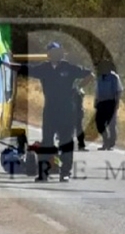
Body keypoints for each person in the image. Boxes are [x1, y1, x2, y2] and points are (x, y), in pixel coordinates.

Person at [16, 42, 94, 182]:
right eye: (53, 52)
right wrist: (6, 63)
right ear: (49, 54)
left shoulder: (69, 68)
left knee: (66, 142)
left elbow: (89, 75)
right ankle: (43, 174)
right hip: (50, 111)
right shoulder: (44, 68)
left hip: (67, 111)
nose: (56, 54)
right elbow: (24, 69)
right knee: (47, 143)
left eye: (58, 51)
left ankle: (65, 173)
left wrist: (77, 88)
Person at [94, 59, 123, 150]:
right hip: (101, 102)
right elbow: (97, 91)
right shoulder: (99, 77)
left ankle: (111, 143)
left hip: (111, 102)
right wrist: (96, 101)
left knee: (111, 124)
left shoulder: (114, 77)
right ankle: (105, 140)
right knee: (99, 123)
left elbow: (118, 90)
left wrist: (117, 102)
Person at [73, 85, 88, 151]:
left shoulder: (77, 88)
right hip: (70, 112)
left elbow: (82, 94)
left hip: (77, 112)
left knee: (79, 128)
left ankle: (81, 144)